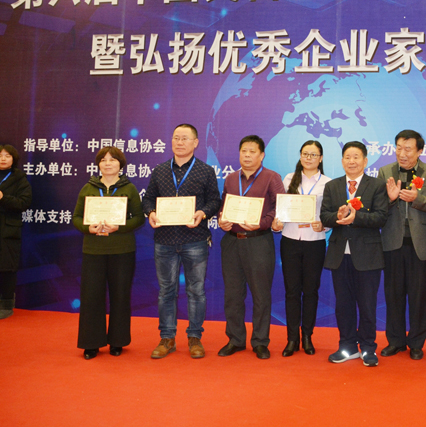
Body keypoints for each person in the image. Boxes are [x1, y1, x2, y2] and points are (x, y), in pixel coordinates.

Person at [142, 124, 221, 359]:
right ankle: (167, 338)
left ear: (195, 143)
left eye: (185, 138)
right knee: (166, 291)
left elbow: (214, 201)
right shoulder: (160, 170)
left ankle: (195, 337)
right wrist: (151, 213)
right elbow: (148, 199)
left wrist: (202, 213)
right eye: (176, 137)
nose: (179, 142)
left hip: (195, 240)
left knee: (196, 291)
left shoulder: (205, 171)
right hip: (164, 240)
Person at [320, 141, 388, 367]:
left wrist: (356, 217)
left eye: (356, 157)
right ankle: (347, 346)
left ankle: (368, 347)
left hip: (368, 256)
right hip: (340, 255)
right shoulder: (332, 186)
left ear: (365, 161)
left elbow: (381, 217)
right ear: (342, 161)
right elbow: (325, 216)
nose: (352, 161)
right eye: (347, 157)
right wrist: (337, 216)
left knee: (367, 305)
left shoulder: (376, 185)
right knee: (343, 305)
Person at [72, 146, 144, 359]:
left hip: (122, 250)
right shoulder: (88, 188)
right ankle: (91, 343)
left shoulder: (129, 188)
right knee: (91, 296)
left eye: (112, 160)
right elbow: (76, 217)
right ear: (98, 165)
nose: (108, 163)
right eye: (103, 160)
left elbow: (138, 218)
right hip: (93, 250)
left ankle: (117, 341)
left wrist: (119, 227)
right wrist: (88, 228)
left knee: (120, 295)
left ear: (121, 164)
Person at [217, 135, 285, 360]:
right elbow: (223, 206)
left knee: (261, 294)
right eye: (243, 151)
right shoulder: (230, 178)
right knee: (233, 294)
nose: (247, 155)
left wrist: (263, 223)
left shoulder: (271, 177)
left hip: (258, 241)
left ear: (261, 155)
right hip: (232, 241)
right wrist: (221, 220)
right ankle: (235, 339)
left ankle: (260, 341)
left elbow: (280, 208)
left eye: (252, 151)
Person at [378, 130, 426, 361]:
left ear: (419, 151)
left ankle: (416, 342)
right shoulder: (385, 172)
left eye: (408, 149)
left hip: (419, 244)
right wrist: (390, 198)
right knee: (393, 295)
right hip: (392, 242)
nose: (402, 154)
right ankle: (395, 341)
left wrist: (418, 199)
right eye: (398, 148)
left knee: (417, 296)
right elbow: (378, 206)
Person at [272, 140, 331, 357]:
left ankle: (307, 336)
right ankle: (292, 339)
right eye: (305, 153)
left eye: (313, 155)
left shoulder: (328, 183)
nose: (309, 158)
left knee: (311, 291)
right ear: (300, 156)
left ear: (320, 158)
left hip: (315, 241)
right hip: (290, 240)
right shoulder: (289, 179)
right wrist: (276, 222)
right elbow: (280, 209)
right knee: (291, 291)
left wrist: (324, 225)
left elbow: (329, 214)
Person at [0, 145, 33, 320]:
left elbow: (23, 203)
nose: (3, 159)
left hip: (8, 229)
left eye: (7, 156)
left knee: (7, 267)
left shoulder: (19, 178)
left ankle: (6, 305)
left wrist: (3, 198)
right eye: (0, 155)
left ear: (13, 159)